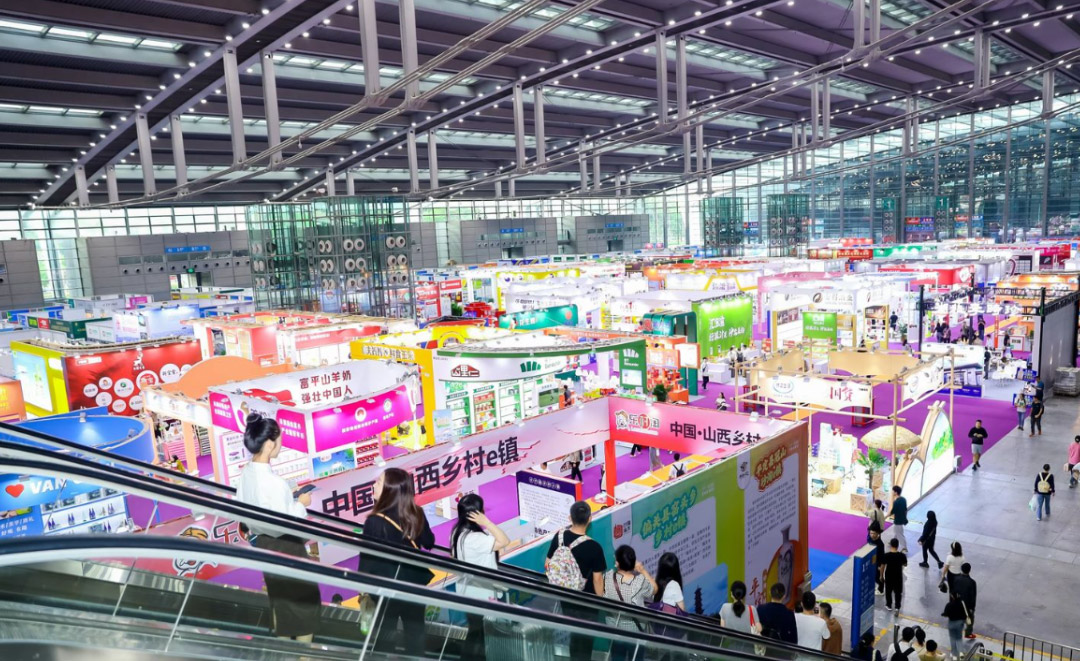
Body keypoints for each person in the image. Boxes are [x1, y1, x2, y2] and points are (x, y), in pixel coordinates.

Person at [235, 413, 320, 642]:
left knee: (280, 601)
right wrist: (300, 504)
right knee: (305, 602)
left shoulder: (246, 474)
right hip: (285, 546)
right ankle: (303, 656)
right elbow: (284, 522)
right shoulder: (273, 482)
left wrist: (288, 500)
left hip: (264, 545)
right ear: (270, 444)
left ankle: (284, 651)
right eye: (280, 438)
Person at [360, 467, 436, 656]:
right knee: (415, 634)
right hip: (413, 585)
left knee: (385, 636)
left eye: (378, 482)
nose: (373, 485)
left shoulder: (374, 521)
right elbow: (429, 542)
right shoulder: (416, 512)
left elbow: (367, 559)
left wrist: (362, 587)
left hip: (386, 587)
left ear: (390, 490)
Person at [450, 493, 512, 658]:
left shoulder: (457, 532)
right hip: (481, 593)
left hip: (467, 589)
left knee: (475, 631)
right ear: (477, 514)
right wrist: (487, 522)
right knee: (480, 636)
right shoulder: (475, 538)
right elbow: (504, 541)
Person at [546, 500, 606, 658]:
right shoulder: (594, 547)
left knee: (574, 633)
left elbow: (548, 564)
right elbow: (597, 579)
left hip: (566, 595)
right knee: (586, 638)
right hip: (587, 600)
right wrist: (601, 600)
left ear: (569, 518)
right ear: (590, 519)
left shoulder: (559, 536)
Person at [603, 545, 657, 660]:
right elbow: (655, 589)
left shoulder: (607, 577)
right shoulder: (639, 583)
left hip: (614, 630)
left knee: (617, 658)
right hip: (635, 633)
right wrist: (641, 569)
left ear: (617, 563)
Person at [951, 563, 977, 640]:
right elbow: (973, 596)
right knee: (970, 619)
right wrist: (972, 608)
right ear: (969, 570)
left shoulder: (956, 579)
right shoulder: (972, 582)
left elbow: (952, 592)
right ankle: (968, 633)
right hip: (967, 605)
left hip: (957, 603)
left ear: (961, 569)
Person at [881, 538, 908, 612]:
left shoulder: (886, 555)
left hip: (889, 576)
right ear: (898, 545)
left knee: (888, 591)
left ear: (890, 545)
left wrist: (881, 576)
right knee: (898, 592)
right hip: (898, 576)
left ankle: (889, 605)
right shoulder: (902, 555)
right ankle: (897, 606)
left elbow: (882, 566)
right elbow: (905, 564)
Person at [942, 592, 968, 660]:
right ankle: (961, 652)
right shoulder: (962, 604)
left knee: (952, 639)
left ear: (952, 596)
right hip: (959, 624)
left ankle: (954, 656)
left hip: (951, 624)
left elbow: (945, 614)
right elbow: (965, 614)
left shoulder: (949, 605)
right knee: (959, 638)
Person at [888, 485, 908, 553]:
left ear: (896, 492)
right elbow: (905, 510)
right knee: (897, 532)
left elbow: (893, 511)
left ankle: (904, 547)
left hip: (898, 520)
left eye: (893, 491)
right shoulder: (903, 499)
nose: (892, 492)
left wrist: (886, 516)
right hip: (902, 519)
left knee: (899, 534)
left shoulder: (896, 502)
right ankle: (893, 541)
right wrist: (905, 518)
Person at [869, 521, 886, 594]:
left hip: (878, 564)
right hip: (873, 561)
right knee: (874, 576)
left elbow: (883, 559)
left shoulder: (880, 544)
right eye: (871, 533)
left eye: (874, 533)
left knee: (879, 577)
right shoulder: (871, 539)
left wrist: (881, 568)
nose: (872, 535)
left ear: (878, 533)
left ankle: (881, 590)